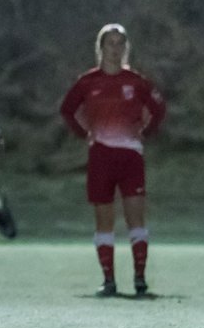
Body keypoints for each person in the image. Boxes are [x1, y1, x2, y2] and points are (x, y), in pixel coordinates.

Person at [60, 24, 167, 296]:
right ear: (101, 47)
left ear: (126, 48)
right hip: (101, 157)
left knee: (136, 218)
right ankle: (109, 281)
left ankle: (140, 278)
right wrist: (84, 134)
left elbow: (159, 109)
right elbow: (67, 110)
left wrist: (146, 133)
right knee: (104, 219)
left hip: (131, 157)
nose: (115, 48)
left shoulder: (136, 82)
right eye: (111, 43)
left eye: (120, 43)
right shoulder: (88, 82)